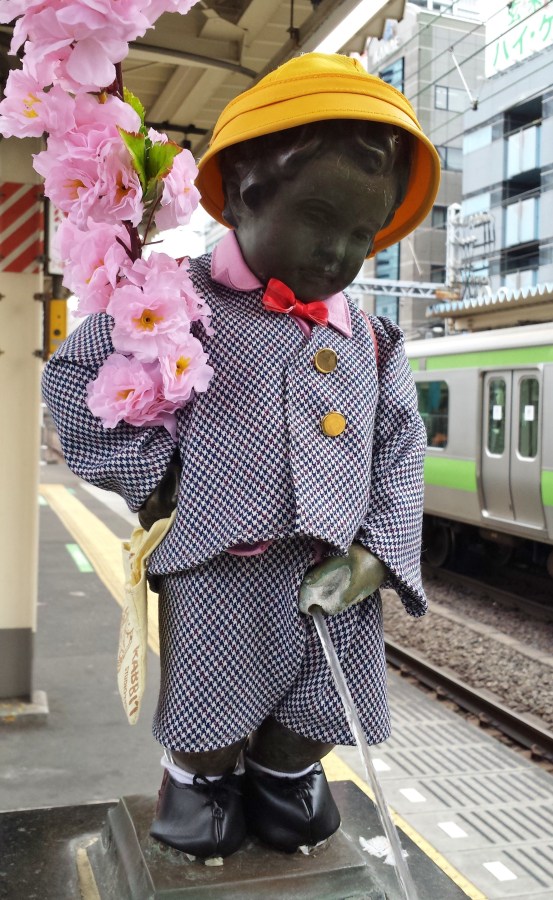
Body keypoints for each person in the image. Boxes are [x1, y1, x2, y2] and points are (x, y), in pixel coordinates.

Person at [42, 52, 441, 860]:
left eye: (361, 235)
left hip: (334, 569)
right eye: (319, 217)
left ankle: (284, 775)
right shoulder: (173, 304)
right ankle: (198, 784)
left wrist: (375, 554)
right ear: (246, 195)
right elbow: (73, 382)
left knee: (323, 703)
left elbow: (401, 447)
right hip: (220, 562)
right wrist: (156, 479)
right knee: (211, 702)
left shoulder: (371, 338)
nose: (337, 252)